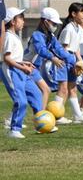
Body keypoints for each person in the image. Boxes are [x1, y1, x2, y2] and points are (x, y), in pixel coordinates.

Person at [0, 7, 43, 138]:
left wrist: (25, 63)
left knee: (36, 95)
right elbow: (6, 59)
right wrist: (23, 67)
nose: (23, 21)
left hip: (20, 69)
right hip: (12, 72)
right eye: (21, 18)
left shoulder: (15, 37)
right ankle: (14, 129)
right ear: (13, 21)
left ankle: (42, 124)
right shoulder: (8, 36)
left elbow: (15, 57)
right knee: (21, 100)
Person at [23, 7, 75, 110]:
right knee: (43, 91)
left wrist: (74, 62)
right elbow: (41, 50)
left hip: (34, 68)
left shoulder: (50, 36)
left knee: (42, 91)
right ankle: (41, 116)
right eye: (54, 24)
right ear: (45, 22)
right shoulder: (37, 35)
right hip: (26, 66)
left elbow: (59, 49)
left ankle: (40, 116)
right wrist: (53, 58)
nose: (55, 26)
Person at [57, 2, 83, 123]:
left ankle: (78, 115)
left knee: (72, 88)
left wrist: (81, 62)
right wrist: (72, 61)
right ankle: (57, 116)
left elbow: (76, 49)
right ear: (73, 14)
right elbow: (64, 49)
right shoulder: (68, 28)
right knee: (63, 88)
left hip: (72, 60)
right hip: (63, 60)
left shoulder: (79, 29)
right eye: (82, 12)